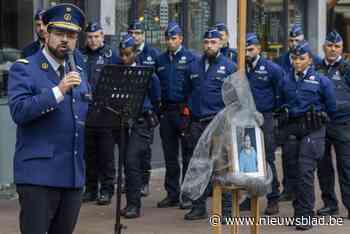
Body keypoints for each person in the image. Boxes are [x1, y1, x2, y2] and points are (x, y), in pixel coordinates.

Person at [8, 4, 88, 234]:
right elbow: (19, 111)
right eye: (60, 33)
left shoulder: (79, 72)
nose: (65, 40)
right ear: (46, 33)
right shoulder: (25, 68)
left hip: (72, 175)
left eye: (71, 35)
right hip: (38, 176)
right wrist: (58, 91)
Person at [276, 40, 336, 230]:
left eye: (302, 58)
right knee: (293, 174)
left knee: (305, 172)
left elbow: (331, 107)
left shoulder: (321, 81)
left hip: (313, 130)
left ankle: (305, 215)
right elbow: (279, 102)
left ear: (310, 60)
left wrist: (321, 115)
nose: (297, 62)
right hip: (292, 129)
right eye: (294, 58)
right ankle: (298, 213)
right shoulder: (285, 79)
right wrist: (283, 111)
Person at [183, 28, 236, 220]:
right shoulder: (193, 66)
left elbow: (236, 99)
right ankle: (198, 207)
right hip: (197, 123)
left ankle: (227, 210)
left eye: (213, 42)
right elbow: (187, 92)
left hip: (219, 124)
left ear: (220, 43)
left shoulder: (229, 66)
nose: (209, 46)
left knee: (222, 167)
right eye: (206, 42)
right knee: (198, 165)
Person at [274, 25, 321, 202]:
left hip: (308, 117)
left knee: (306, 162)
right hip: (288, 116)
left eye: (298, 40)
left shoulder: (314, 59)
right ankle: (288, 189)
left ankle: (303, 197)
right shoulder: (281, 60)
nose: (294, 44)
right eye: (291, 41)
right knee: (288, 156)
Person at [117, 34, 161, 218]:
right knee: (127, 163)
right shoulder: (117, 72)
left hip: (141, 123)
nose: (124, 58)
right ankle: (130, 203)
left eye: (127, 54)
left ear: (135, 53)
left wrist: (149, 114)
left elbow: (156, 97)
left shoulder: (147, 74)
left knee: (132, 160)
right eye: (122, 55)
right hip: (123, 122)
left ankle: (134, 205)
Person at [155, 22, 196, 210]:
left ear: (181, 39)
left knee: (188, 155)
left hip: (184, 112)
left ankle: (187, 195)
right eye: (168, 39)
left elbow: (195, 87)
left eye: (174, 38)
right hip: (167, 112)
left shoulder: (191, 58)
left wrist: (190, 109)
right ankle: (172, 193)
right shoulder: (160, 60)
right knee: (170, 156)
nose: (170, 42)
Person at [241, 33, 283, 215]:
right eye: (245, 50)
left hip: (265, 117)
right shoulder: (241, 68)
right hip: (246, 117)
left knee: (267, 158)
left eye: (250, 49)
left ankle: (273, 198)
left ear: (258, 48)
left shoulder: (271, 69)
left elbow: (280, 92)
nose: (247, 53)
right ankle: (252, 196)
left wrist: (275, 115)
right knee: (249, 159)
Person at [80, 21, 119, 205]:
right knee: (90, 154)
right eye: (90, 37)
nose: (93, 40)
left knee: (106, 155)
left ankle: (107, 190)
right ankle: (91, 189)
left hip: (105, 113)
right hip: (86, 112)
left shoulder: (111, 55)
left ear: (102, 36)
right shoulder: (80, 55)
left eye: (96, 36)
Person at [315, 31, 350, 219]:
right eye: (329, 45)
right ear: (323, 47)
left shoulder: (347, 68)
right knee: (324, 167)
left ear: (342, 48)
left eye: (337, 46)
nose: (333, 49)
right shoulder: (316, 67)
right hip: (321, 124)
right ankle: (330, 204)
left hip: (343, 125)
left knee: (347, 166)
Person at [128, 20, 160, 196]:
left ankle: (144, 181)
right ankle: (133, 182)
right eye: (132, 33)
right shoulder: (126, 54)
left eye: (138, 33)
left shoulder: (152, 54)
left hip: (146, 112)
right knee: (131, 154)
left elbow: (156, 84)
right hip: (130, 113)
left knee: (144, 150)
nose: (135, 36)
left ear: (143, 35)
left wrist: (154, 109)